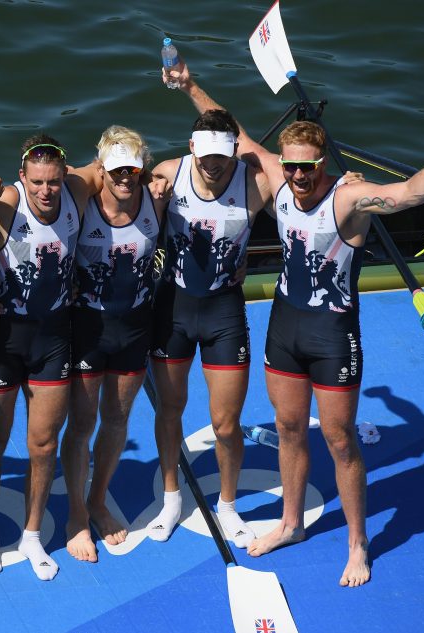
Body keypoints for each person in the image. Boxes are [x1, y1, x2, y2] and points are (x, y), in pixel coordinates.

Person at [172, 62, 424, 586]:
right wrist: (191, 87)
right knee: (286, 428)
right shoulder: (279, 179)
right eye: (292, 166)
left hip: (332, 334)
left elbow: (406, 195)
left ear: (322, 163)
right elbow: (230, 133)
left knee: (340, 439)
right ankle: (290, 524)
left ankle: (357, 542)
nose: (299, 176)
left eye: (308, 167)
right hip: (284, 325)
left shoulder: (348, 196)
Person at [143, 108, 271, 548]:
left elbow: (293, 177)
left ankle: (229, 506)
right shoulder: (166, 173)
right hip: (172, 308)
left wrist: (341, 182)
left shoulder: (255, 183)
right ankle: (172, 499)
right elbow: (107, 195)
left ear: (235, 150)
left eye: (224, 155)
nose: (214, 164)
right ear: (192, 147)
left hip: (223, 313)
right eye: (206, 154)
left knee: (225, 424)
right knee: (170, 409)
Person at [0, 135, 92, 580]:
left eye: (54, 182)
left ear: (65, 178)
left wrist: (154, 185)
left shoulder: (78, 192)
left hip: (54, 339)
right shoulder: (6, 202)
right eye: (37, 182)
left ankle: (32, 534)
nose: (46, 191)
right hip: (5, 339)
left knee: (43, 446)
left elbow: (117, 164)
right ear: (23, 177)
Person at [59, 126, 166, 562]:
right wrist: (97, 167)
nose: (126, 178)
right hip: (87, 330)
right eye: (116, 170)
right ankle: (76, 515)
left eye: (133, 170)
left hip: (134, 328)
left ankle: (98, 500)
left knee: (117, 419)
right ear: (101, 169)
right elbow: (59, 178)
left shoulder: (156, 197)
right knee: (82, 425)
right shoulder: (81, 202)